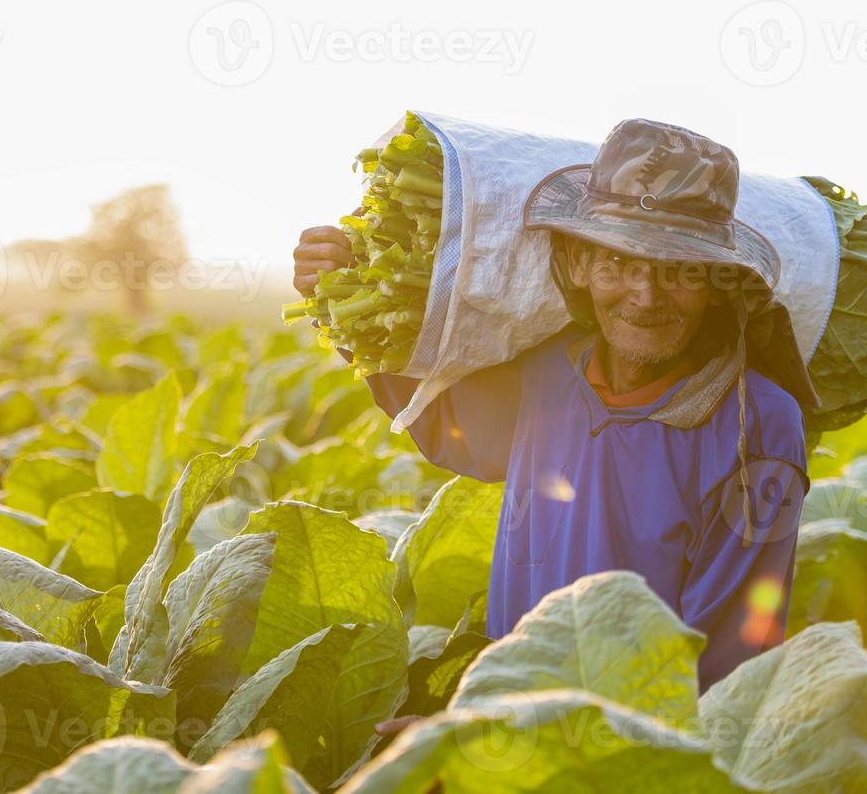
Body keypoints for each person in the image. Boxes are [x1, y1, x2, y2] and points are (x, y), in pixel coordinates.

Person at [293, 118, 816, 704]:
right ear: (576, 264)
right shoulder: (546, 375)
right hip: (510, 729)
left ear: (719, 282)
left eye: (680, 271)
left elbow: (721, 663)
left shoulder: (757, 425)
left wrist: (520, 734)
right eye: (617, 264)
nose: (645, 296)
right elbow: (445, 426)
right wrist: (334, 299)